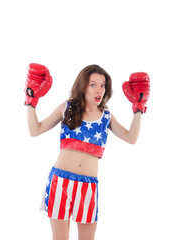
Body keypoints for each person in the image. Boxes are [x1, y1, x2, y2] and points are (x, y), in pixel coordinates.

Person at [25, 63, 148, 240]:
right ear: (83, 87)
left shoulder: (106, 116)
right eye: (93, 85)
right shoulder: (66, 108)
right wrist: (31, 101)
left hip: (88, 185)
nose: (99, 90)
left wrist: (138, 109)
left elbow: (131, 138)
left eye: (103, 85)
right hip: (60, 182)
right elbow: (35, 130)